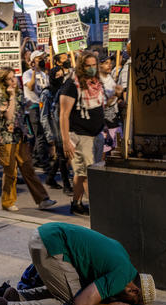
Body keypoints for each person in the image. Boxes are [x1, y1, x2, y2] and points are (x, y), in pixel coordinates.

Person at [0, 222, 156, 305]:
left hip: (46, 236)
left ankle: (19, 297)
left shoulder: (124, 259)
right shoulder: (122, 277)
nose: (122, 303)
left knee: (75, 292)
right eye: (129, 302)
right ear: (133, 291)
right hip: (50, 245)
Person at [0, 67, 56, 212]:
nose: (13, 81)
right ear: (4, 81)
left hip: (20, 137)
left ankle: (42, 199)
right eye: (10, 78)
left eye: (14, 77)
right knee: (10, 171)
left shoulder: (19, 92)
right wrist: (11, 97)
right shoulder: (1, 95)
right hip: (6, 138)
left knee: (28, 168)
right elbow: (9, 117)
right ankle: (7, 202)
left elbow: (23, 112)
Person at [60, 52, 106, 216]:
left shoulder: (95, 83)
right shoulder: (72, 85)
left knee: (81, 174)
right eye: (88, 65)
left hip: (96, 135)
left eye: (94, 65)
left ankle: (76, 203)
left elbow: (99, 107)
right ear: (81, 66)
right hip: (80, 137)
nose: (92, 68)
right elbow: (64, 114)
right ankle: (98, 209)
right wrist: (66, 141)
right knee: (87, 173)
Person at [41, 66, 73, 195]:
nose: (60, 78)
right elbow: (44, 116)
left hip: (64, 125)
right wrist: (49, 136)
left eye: (62, 75)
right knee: (62, 156)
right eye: (57, 76)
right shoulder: (46, 93)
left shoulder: (63, 89)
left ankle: (50, 178)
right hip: (55, 127)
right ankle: (66, 185)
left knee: (62, 155)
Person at [23, 50, 50, 168]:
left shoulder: (44, 74)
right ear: (33, 61)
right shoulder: (27, 73)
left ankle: (36, 157)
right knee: (39, 134)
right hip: (33, 107)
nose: (42, 60)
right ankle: (43, 160)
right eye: (39, 58)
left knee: (42, 134)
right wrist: (34, 71)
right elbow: (31, 86)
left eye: (43, 58)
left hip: (43, 106)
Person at [99, 54, 124, 157]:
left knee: (116, 144)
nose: (109, 65)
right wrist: (116, 95)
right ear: (99, 65)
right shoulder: (98, 80)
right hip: (105, 118)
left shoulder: (109, 77)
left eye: (110, 63)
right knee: (105, 148)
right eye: (106, 63)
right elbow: (103, 103)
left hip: (113, 116)